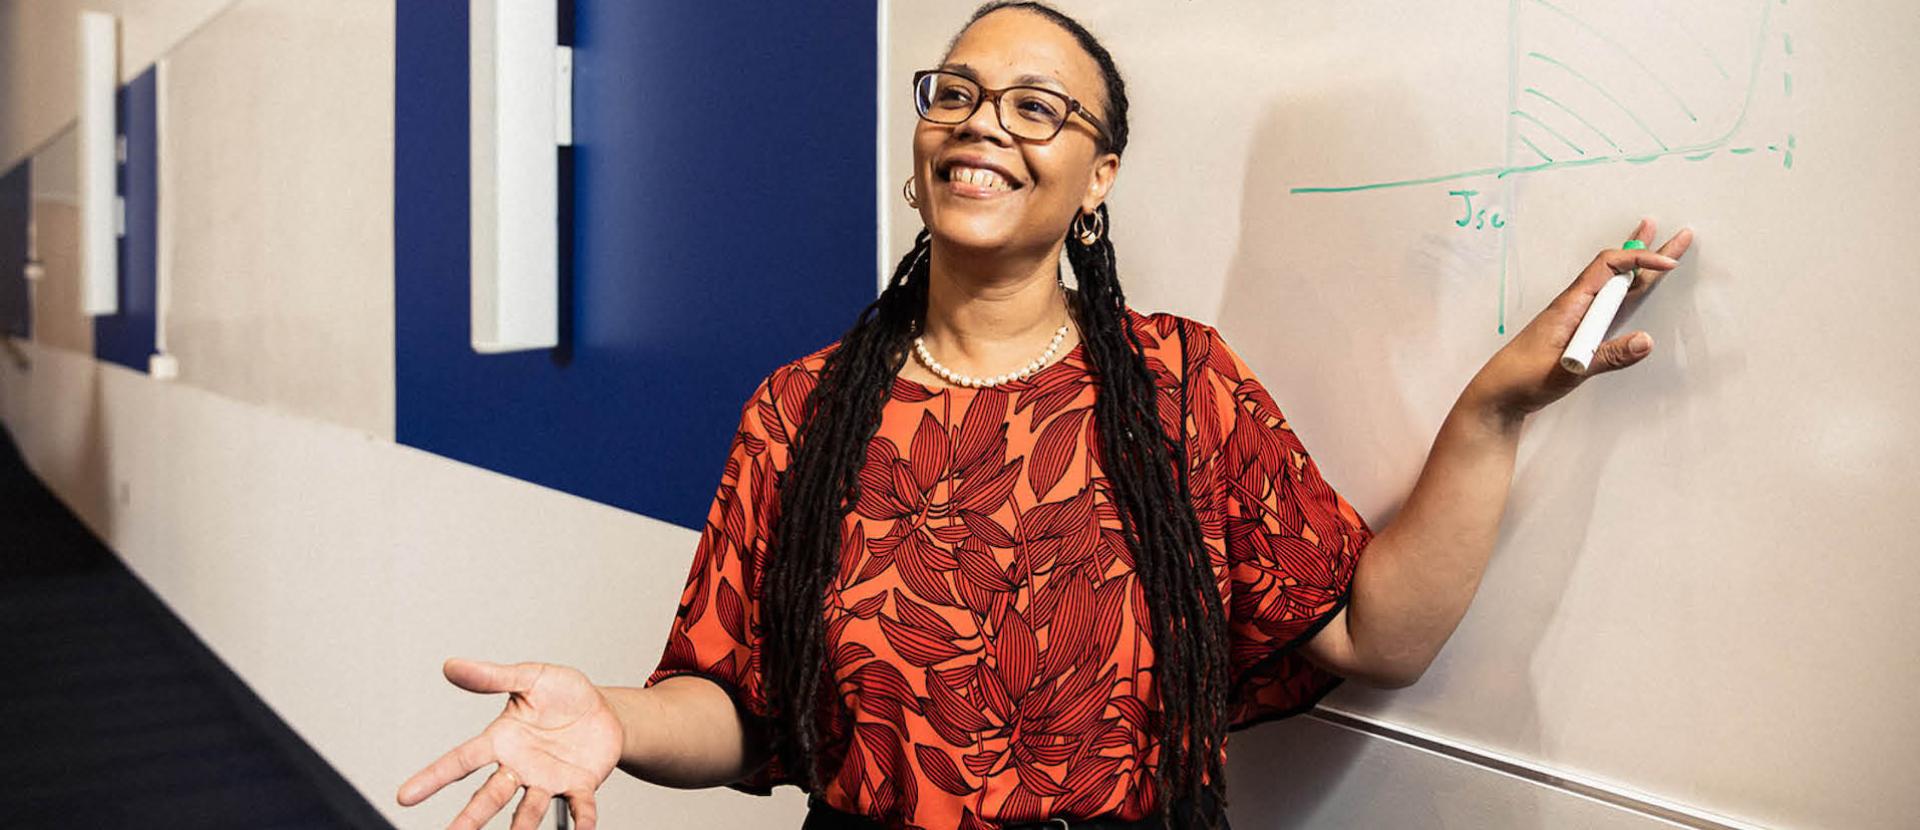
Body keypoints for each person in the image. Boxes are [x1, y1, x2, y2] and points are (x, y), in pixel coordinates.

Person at [394, 3, 1693, 829]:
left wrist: (1493, 408)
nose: (982, 125)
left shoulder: (1183, 385)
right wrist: (618, 720)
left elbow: (1371, 630)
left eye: (1036, 107)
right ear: (920, 148)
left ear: (1097, 175)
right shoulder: (800, 414)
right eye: (954, 94)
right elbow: (745, 710)